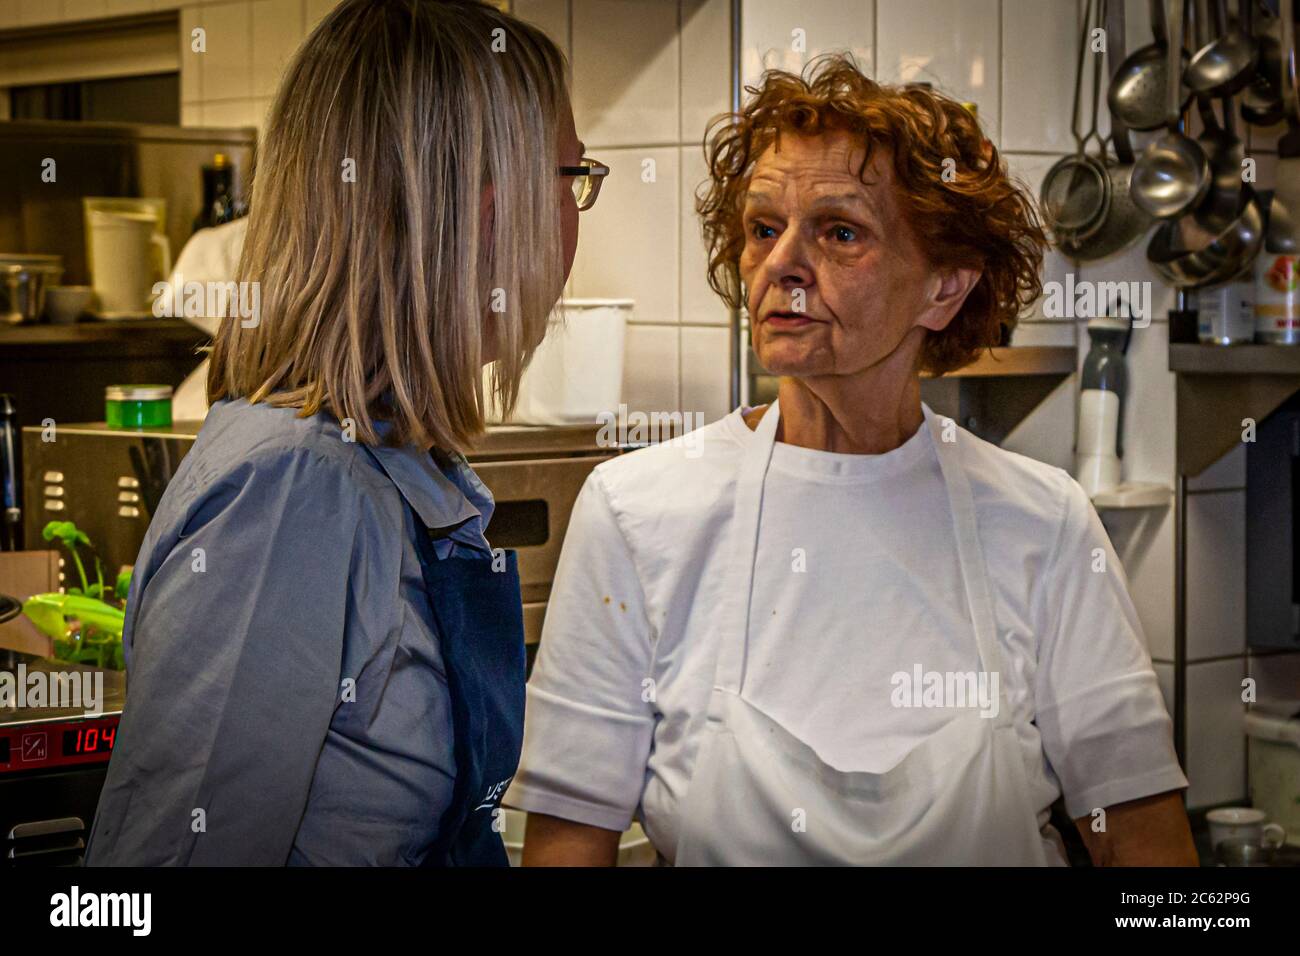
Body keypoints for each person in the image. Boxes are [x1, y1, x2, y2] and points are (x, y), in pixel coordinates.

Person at [507, 55, 1197, 866]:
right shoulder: (636, 512)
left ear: (944, 288)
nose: (780, 265)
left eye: (839, 233)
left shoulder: (1044, 523)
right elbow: (568, 847)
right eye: (764, 229)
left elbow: (1148, 854)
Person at [85, 0, 603, 866]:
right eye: (573, 177)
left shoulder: (394, 461)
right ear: (487, 211)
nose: (575, 214)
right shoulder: (295, 492)